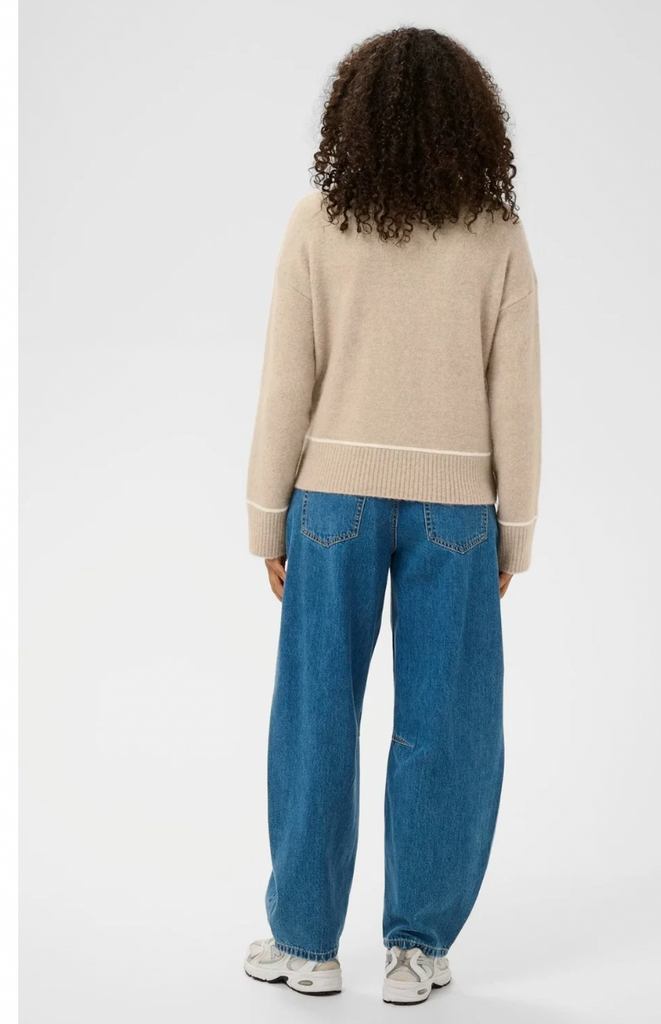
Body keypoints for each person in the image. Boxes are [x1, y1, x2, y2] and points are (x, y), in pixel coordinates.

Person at [242, 26, 541, 1005]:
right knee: (447, 726)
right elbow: (517, 396)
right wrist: (515, 528)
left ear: (354, 118)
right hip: (459, 512)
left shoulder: (317, 224)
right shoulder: (495, 236)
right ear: (471, 122)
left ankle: (306, 944)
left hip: (330, 502)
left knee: (314, 714)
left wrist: (266, 517)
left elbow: (285, 382)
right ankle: (417, 948)